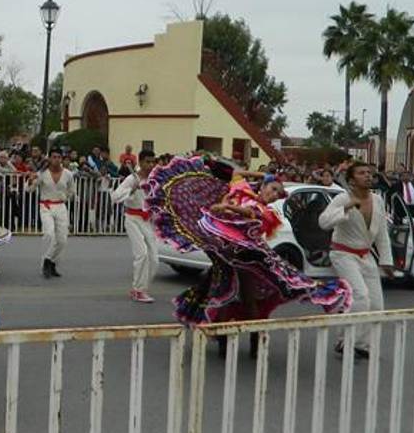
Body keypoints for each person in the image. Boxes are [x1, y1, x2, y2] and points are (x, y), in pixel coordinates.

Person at [148, 156, 351, 356]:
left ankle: (254, 343)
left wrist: (227, 207)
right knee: (223, 296)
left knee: (247, 298)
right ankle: (225, 342)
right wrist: (264, 174)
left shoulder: (265, 211)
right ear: (262, 186)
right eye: (272, 189)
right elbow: (236, 174)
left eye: (277, 194)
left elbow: (250, 214)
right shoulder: (242, 189)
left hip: (248, 259)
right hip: (226, 255)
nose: (273, 195)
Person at [318, 161, 395, 357]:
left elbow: (382, 234)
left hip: (366, 256)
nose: (368, 176)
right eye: (362, 173)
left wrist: (386, 260)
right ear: (351, 180)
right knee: (360, 297)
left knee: (377, 305)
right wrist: (345, 209)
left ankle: (361, 344)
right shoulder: (343, 198)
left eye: (369, 173)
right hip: (343, 254)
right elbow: (324, 222)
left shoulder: (377, 200)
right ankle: (345, 340)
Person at [110, 149, 158, 303]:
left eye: (153, 162)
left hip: (147, 220)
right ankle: (138, 290)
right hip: (132, 218)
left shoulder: (155, 180)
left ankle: (142, 288)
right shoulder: (132, 179)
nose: (150, 165)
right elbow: (115, 196)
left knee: (154, 259)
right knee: (141, 254)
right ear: (140, 162)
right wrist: (132, 189)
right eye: (147, 162)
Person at [25, 149, 75, 279]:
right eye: (54, 157)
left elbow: (71, 190)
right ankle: (46, 261)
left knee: (62, 240)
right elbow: (29, 189)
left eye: (59, 157)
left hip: (60, 206)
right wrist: (30, 180)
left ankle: (51, 262)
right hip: (46, 206)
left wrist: (65, 197)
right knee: (49, 233)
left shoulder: (68, 174)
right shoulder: (42, 174)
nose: (56, 159)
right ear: (49, 158)